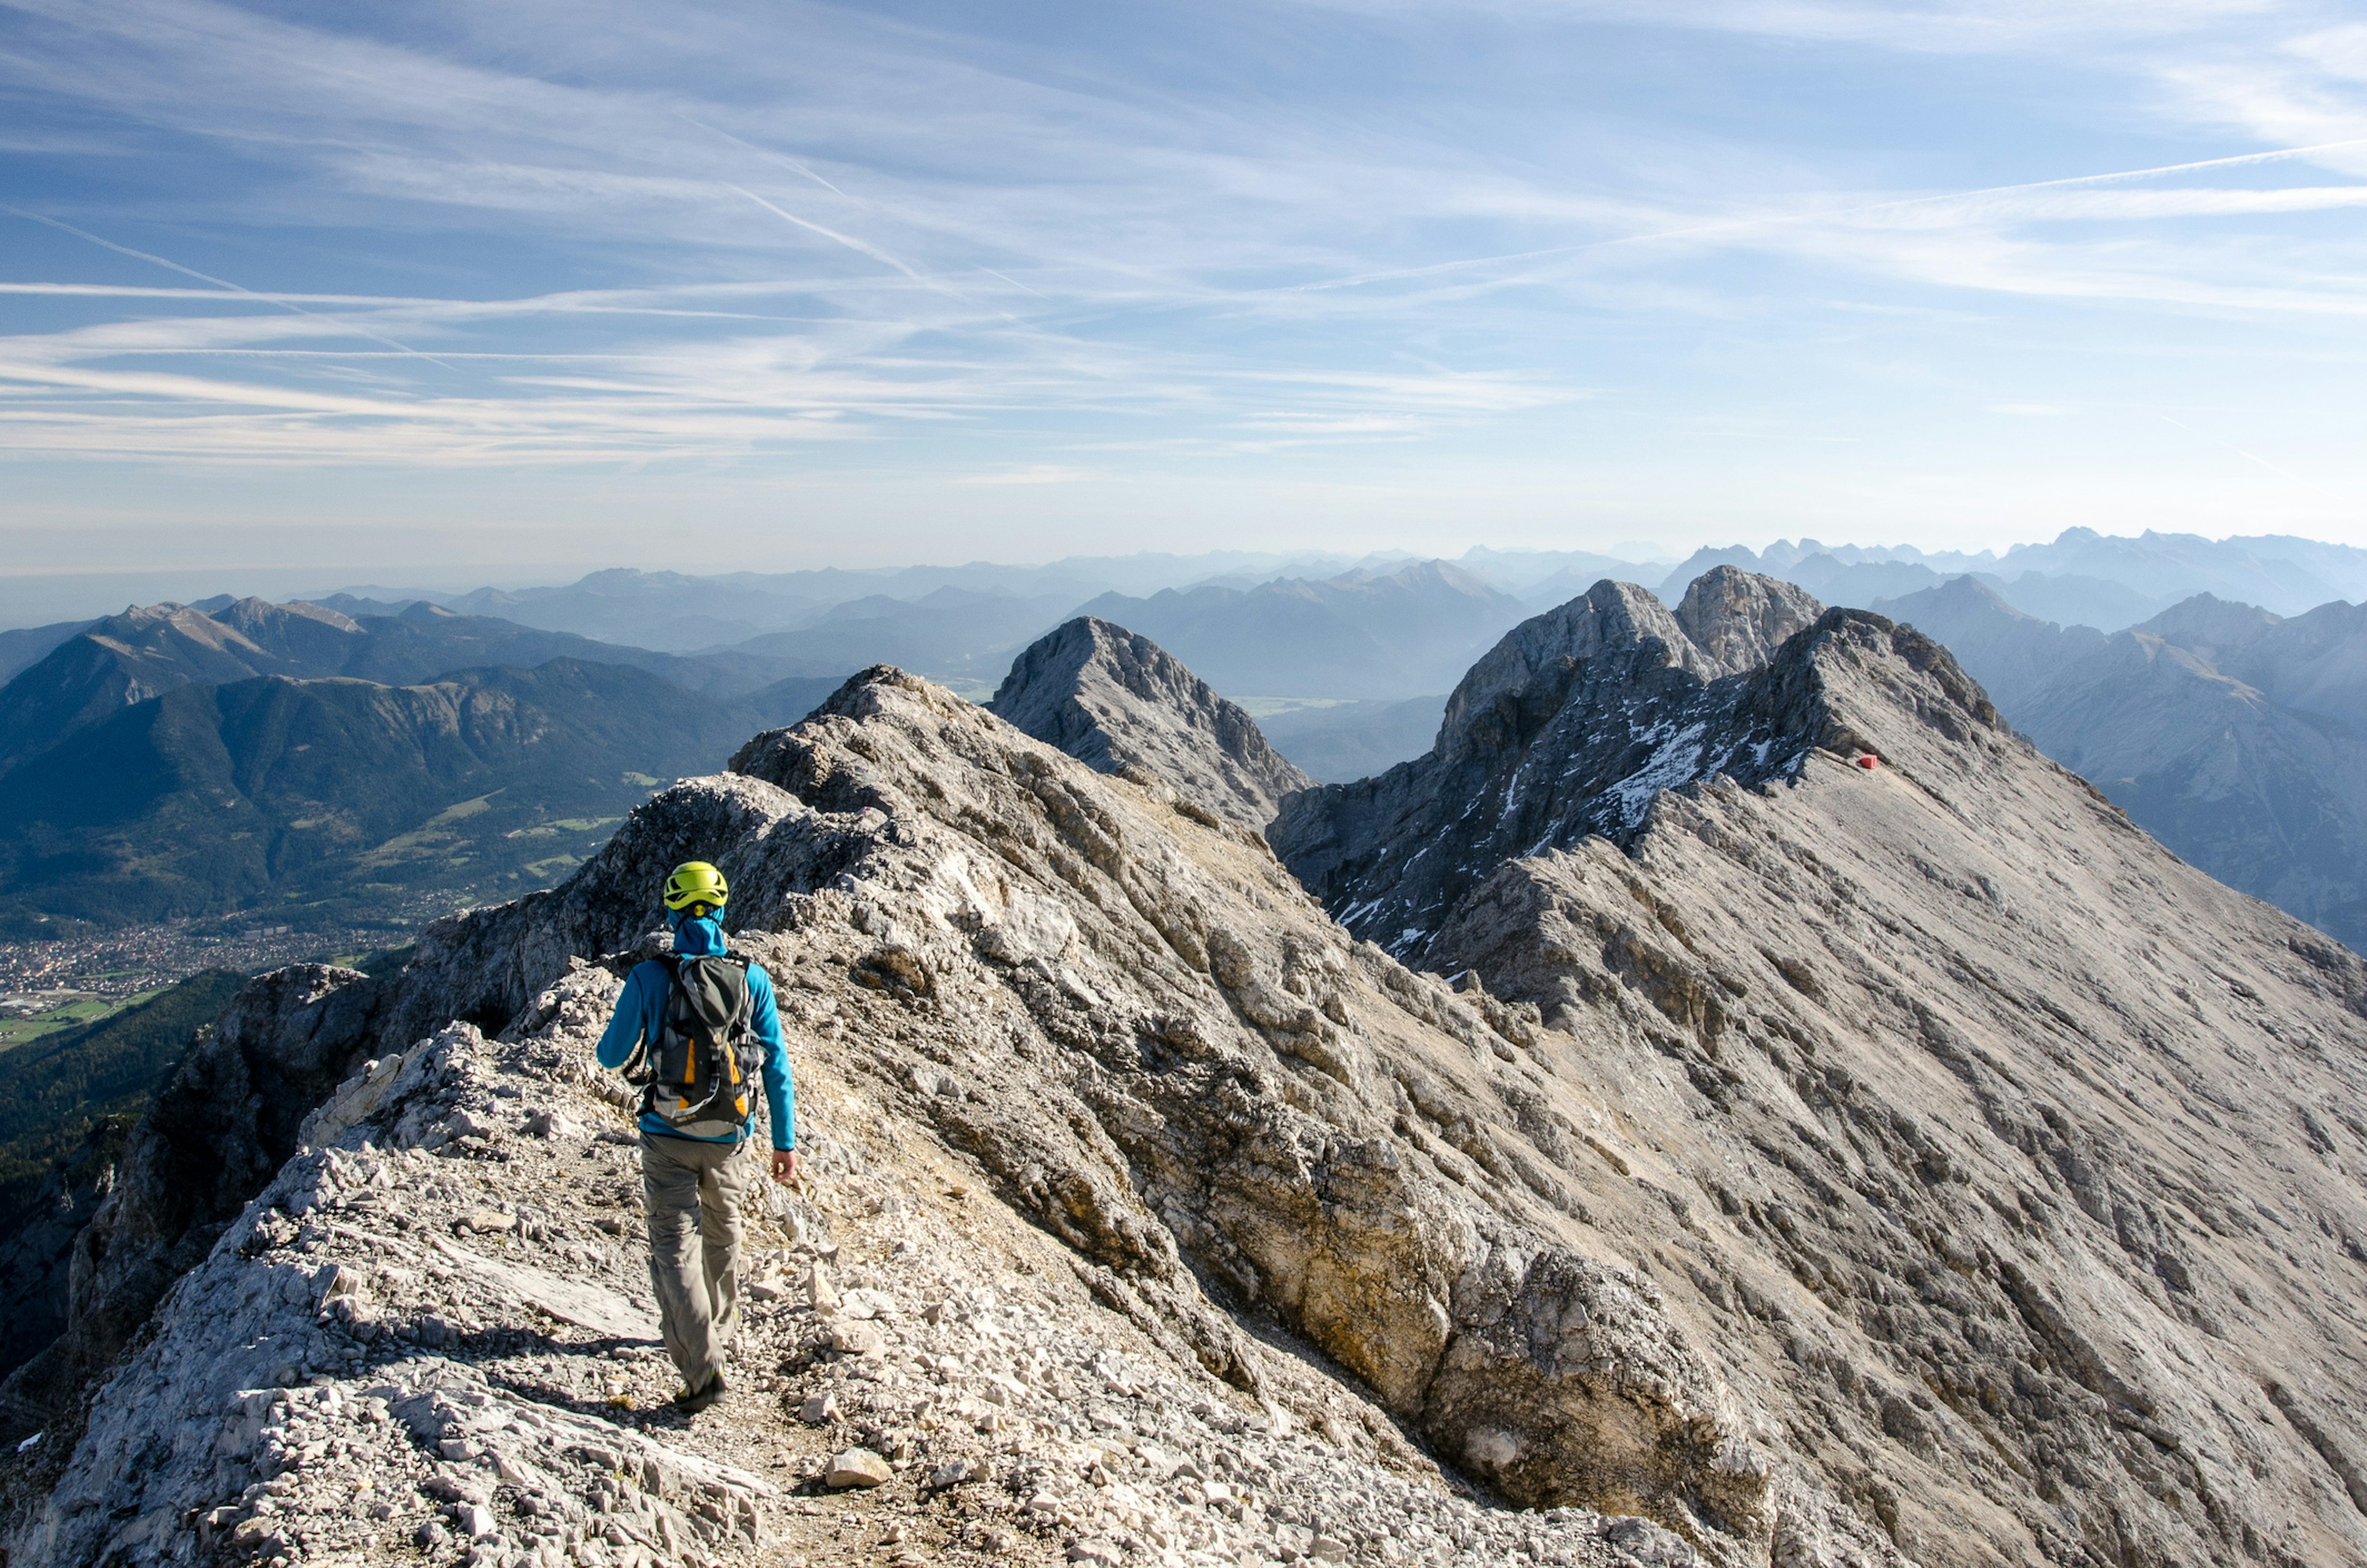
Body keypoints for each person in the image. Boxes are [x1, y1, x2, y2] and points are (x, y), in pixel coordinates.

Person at [596, 860, 798, 1413]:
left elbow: (610, 1056)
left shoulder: (649, 976)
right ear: (723, 909)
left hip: (666, 1133)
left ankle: (701, 1365)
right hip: (730, 1135)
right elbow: (776, 1066)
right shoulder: (751, 978)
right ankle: (719, 1332)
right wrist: (785, 1142)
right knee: (723, 1233)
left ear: (671, 910)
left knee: (673, 1244)